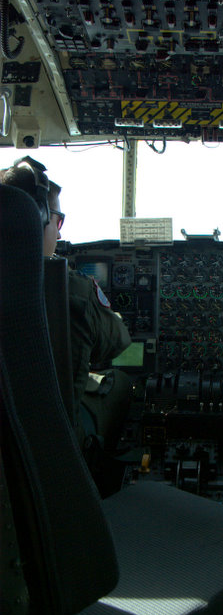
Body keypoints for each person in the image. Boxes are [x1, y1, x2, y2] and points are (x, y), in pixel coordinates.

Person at [0, 160, 132, 451]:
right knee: (120, 381)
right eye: (57, 221)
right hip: (51, 447)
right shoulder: (71, 288)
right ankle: (102, 476)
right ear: (37, 218)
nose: (59, 235)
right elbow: (117, 343)